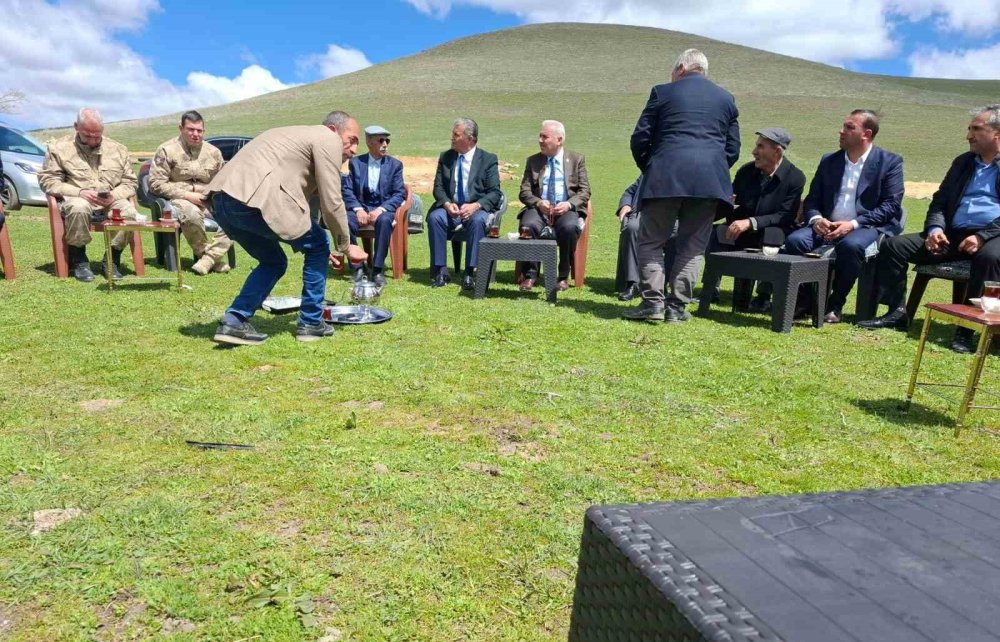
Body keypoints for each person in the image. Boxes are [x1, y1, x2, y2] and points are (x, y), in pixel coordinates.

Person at [206, 111, 367, 346]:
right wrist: (346, 245)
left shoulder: (293, 135)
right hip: (254, 200)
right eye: (352, 140)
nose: (353, 150)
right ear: (333, 129)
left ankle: (234, 320)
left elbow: (309, 204)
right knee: (319, 242)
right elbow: (332, 200)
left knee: (274, 261)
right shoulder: (325, 137)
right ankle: (311, 322)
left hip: (223, 202)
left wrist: (315, 246)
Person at [859, 105, 1000, 353]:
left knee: (989, 258)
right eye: (969, 129)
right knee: (894, 246)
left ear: (997, 134)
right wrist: (935, 228)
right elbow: (940, 200)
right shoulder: (963, 162)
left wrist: (982, 236)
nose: (969, 135)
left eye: (976, 129)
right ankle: (897, 313)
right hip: (953, 234)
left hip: (993, 235)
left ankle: (967, 330)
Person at [626, 48, 740, 322]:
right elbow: (733, 148)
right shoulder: (726, 99)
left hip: (665, 178)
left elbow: (640, 138)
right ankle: (677, 308)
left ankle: (653, 304)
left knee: (652, 242)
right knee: (693, 246)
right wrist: (712, 170)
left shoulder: (662, 92)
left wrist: (652, 168)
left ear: (680, 69)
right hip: (708, 184)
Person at [783, 109, 904, 323]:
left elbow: (891, 206)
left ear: (866, 134)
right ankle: (807, 302)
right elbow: (813, 199)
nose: (841, 131)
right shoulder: (829, 160)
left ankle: (835, 304)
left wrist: (853, 224)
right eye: (843, 126)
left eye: (849, 127)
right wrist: (816, 219)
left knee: (851, 246)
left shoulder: (890, 162)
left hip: (864, 227)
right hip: (826, 225)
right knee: (795, 241)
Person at [702, 127, 806, 312]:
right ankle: (711, 288)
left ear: (777, 151)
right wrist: (728, 205)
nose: (754, 152)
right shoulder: (746, 171)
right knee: (717, 232)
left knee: (772, 235)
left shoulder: (795, 177)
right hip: (742, 227)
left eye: (761, 147)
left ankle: (763, 296)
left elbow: (784, 215)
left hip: (774, 230)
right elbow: (735, 201)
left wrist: (752, 222)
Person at [37, 108, 138, 282]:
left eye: (97, 136)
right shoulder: (59, 149)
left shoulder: (118, 150)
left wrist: (114, 195)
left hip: (110, 201)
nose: (92, 140)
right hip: (76, 200)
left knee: (128, 211)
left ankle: (112, 259)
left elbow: (130, 182)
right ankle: (79, 259)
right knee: (79, 207)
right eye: (87, 135)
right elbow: (48, 181)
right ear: (76, 127)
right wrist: (79, 192)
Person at [148, 110, 231, 275]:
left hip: (208, 199)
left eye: (199, 131)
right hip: (180, 199)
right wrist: (188, 194)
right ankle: (207, 256)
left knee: (234, 215)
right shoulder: (167, 150)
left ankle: (209, 259)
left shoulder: (214, 153)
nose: (195, 134)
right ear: (181, 128)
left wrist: (208, 194)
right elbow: (155, 184)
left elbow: (223, 182)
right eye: (191, 130)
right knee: (191, 213)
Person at [427, 117, 503, 290]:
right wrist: (446, 203)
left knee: (477, 221)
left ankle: (469, 273)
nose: (452, 138)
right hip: (450, 209)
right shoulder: (446, 157)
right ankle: (440, 271)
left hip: (475, 209)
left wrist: (475, 206)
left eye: (456, 134)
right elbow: (438, 188)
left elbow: (495, 192)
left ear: (470, 139)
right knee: (435, 218)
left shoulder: (488, 159)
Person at [516, 120, 591, 291]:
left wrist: (569, 204)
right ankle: (530, 275)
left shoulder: (576, 160)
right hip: (539, 209)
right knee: (528, 225)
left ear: (559, 140)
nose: (540, 140)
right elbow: (524, 192)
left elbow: (585, 191)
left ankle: (563, 276)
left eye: (545, 137)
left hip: (565, 210)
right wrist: (538, 202)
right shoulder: (533, 161)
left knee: (570, 227)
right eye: (540, 136)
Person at [341, 125, 406, 288]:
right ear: (369, 142)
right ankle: (357, 267)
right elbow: (347, 189)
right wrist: (358, 209)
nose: (385, 144)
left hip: (382, 208)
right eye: (381, 140)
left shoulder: (395, 165)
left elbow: (399, 193)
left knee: (384, 221)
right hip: (361, 207)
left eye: (387, 141)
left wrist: (381, 209)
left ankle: (377, 269)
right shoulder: (356, 163)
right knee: (345, 221)